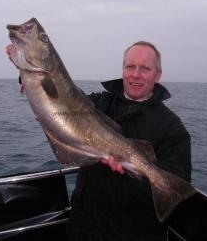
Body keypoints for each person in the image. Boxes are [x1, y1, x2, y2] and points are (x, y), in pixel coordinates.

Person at [65, 41, 192, 241]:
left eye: (145, 68)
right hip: (83, 227)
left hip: (133, 234)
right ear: (123, 69)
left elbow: (176, 188)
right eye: (130, 66)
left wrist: (130, 173)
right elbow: (64, 102)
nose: (135, 74)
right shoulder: (98, 104)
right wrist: (29, 75)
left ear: (157, 75)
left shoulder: (173, 129)